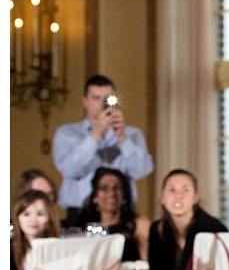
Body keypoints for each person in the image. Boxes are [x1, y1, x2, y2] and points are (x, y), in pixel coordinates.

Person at [52, 75, 155, 216]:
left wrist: (122, 138)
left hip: (121, 212)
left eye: (107, 98)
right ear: (85, 100)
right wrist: (95, 135)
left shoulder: (132, 134)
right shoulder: (67, 133)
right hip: (79, 212)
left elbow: (142, 170)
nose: (102, 104)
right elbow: (70, 170)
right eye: (96, 98)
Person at [65, 166, 144, 259]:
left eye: (116, 188)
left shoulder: (138, 225)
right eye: (104, 188)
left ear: (124, 194)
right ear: (95, 196)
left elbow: (146, 263)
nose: (111, 193)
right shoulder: (80, 225)